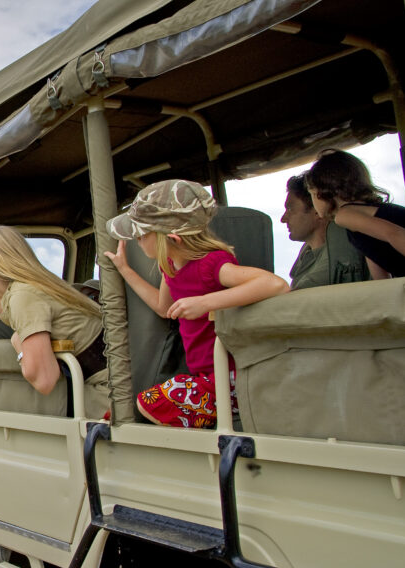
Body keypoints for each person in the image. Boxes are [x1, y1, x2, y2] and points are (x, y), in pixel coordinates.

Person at [104, 179, 289, 428]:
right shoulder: (170, 266)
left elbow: (276, 285)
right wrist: (125, 270)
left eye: (141, 234)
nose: (137, 240)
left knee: (150, 403)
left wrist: (205, 302)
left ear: (172, 239)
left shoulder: (211, 264)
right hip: (203, 375)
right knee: (120, 410)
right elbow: (163, 307)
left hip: (229, 378)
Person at [0, 225, 110, 418]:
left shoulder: (23, 296)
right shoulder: (27, 288)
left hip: (105, 395)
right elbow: (1, 308)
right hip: (115, 384)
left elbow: (44, 380)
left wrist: (18, 345)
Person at [305, 149, 405, 279]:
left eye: (312, 194)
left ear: (321, 193)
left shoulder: (345, 215)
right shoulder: (362, 218)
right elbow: (378, 268)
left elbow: (394, 233)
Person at [281, 172, 369, 289]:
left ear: (316, 210)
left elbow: (303, 292)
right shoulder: (306, 254)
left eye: (290, 209)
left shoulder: (342, 250)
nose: (283, 219)